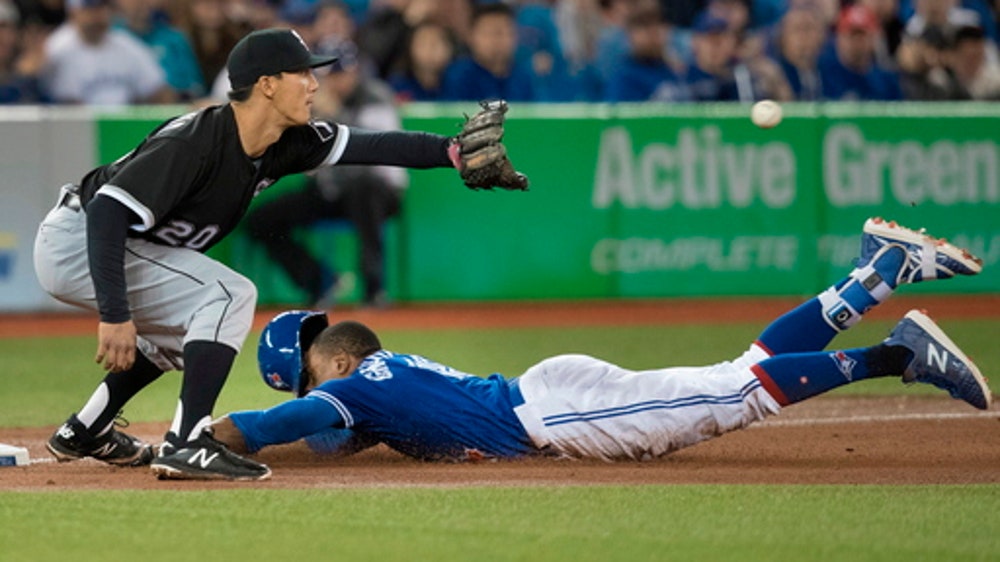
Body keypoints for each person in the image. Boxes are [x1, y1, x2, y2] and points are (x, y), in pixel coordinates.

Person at [33, 27, 520, 481]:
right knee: (229, 294)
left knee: (192, 333)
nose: (314, 83)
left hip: (122, 246)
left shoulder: (286, 143)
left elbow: (369, 145)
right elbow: (106, 214)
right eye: (302, 73)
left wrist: (452, 152)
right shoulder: (196, 142)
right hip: (78, 241)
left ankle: (84, 430)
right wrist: (115, 315)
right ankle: (186, 442)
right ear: (266, 85)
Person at [204, 218, 989, 476]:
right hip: (548, 393)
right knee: (738, 372)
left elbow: (268, 429)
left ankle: (896, 352)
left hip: (558, 417)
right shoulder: (380, 382)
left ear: (334, 362)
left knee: (734, 395)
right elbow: (328, 441)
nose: (309, 393)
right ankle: (870, 275)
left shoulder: (357, 388)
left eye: (306, 378)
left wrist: (186, 441)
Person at [246, 39, 406, 309]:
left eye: (342, 73)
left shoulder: (376, 97)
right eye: (330, 75)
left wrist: (337, 114)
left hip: (378, 191)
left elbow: (375, 153)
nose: (336, 81)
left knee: (363, 191)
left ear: (355, 72)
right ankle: (320, 280)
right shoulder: (311, 101)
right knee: (263, 220)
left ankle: (374, 290)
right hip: (333, 191)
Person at [39, 0, 175, 105]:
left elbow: (160, 90)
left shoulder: (125, 43)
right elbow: (63, 104)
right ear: (73, 13)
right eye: (90, 9)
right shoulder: (57, 48)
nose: (97, 16)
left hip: (124, 127)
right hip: (77, 131)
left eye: (102, 8)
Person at [439, 2, 538, 102]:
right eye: (488, 33)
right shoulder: (458, 76)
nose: (495, 41)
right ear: (471, 37)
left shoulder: (525, 76)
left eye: (502, 33)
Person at [113, 0, 206, 101]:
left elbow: (194, 87)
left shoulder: (174, 39)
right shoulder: (111, 37)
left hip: (171, 109)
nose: (139, 2)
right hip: (122, 110)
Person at [818, 4, 904, 100]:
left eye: (862, 36)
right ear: (839, 38)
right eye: (851, 35)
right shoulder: (822, 73)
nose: (856, 43)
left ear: (872, 39)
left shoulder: (886, 80)